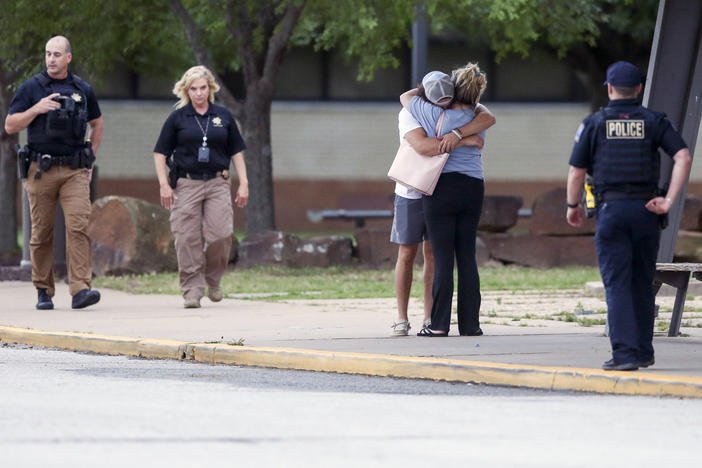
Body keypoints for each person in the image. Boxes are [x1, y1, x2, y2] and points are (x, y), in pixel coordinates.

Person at [566, 61, 691, 371]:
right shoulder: (654, 121)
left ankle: (624, 355)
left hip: (611, 212)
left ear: (609, 88)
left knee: (618, 284)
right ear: (638, 89)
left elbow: (576, 171)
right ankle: (644, 351)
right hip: (647, 212)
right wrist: (669, 200)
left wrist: (573, 206)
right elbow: (683, 156)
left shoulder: (594, 123)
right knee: (642, 282)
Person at [390, 78, 495, 336]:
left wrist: (455, 134)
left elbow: (406, 94)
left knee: (439, 256)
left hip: (440, 189)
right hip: (416, 189)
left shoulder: (438, 110)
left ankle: (434, 321)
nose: (444, 102)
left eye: (448, 96)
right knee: (418, 253)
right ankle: (408, 318)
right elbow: (424, 146)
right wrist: (463, 138)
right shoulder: (422, 112)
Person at [5, 36, 103, 310]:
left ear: (68, 58)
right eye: (48, 53)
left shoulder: (82, 88)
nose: (51, 59)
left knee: (79, 227)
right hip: (41, 170)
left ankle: (81, 289)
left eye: (57, 54)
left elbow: (97, 123)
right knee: (41, 232)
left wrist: (90, 158)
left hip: (74, 169)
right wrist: (37, 108)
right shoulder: (31, 88)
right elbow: (11, 125)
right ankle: (43, 290)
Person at [153, 65, 248, 308]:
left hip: (218, 182)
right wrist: (164, 184)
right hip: (186, 183)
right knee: (186, 238)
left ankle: (213, 280)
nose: (198, 93)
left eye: (203, 88)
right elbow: (160, 153)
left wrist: (244, 183)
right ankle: (192, 290)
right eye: (193, 89)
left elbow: (236, 151)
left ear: (210, 88)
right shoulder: (178, 118)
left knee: (221, 234)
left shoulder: (223, 116)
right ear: (187, 90)